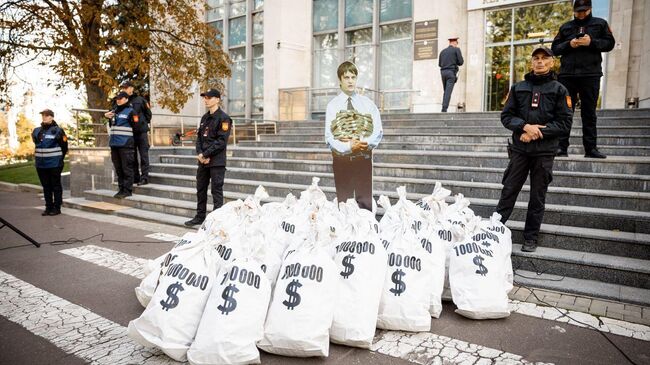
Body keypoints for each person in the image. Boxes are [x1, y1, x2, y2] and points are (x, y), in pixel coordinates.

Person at [495, 47, 573, 253]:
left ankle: (530, 238)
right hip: (520, 150)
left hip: (544, 152)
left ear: (552, 63)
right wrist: (524, 126)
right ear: (531, 63)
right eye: (536, 58)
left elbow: (564, 124)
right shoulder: (518, 87)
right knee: (509, 190)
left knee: (537, 197)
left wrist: (536, 132)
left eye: (544, 58)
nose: (539, 62)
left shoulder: (559, 90)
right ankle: (494, 232)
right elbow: (506, 116)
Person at [551, 0, 615, 158]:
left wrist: (591, 42)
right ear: (573, 10)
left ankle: (591, 149)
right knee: (565, 112)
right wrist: (569, 44)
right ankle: (561, 147)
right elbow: (555, 49)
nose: (580, 13)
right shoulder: (565, 27)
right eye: (578, 10)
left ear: (590, 9)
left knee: (589, 113)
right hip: (567, 76)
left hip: (590, 75)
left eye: (584, 10)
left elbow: (610, 43)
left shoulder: (600, 24)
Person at [325, 61, 383, 211]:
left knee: (365, 203)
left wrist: (362, 143)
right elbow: (330, 137)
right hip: (341, 160)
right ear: (340, 80)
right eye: (346, 77)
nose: (350, 81)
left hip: (363, 158)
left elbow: (377, 131)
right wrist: (349, 146)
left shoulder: (368, 105)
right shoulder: (332, 106)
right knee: (344, 203)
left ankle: (366, 231)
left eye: (353, 77)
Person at [185, 88, 232, 226]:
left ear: (217, 99)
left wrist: (205, 154)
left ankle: (216, 221)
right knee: (201, 189)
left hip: (216, 162)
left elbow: (221, 141)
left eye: (209, 97)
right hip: (203, 161)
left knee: (216, 191)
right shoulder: (204, 118)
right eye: (205, 97)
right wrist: (200, 154)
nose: (206, 100)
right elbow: (199, 138)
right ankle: (200, 217)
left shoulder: (224, 118)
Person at [32, 109, 68, 216]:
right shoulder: (36, 131)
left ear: (52, 117)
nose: (44, 117)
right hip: (41, 165)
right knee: (46, 186)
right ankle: (48, 207)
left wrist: (60, 159)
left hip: (54, 164)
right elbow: (36, 143)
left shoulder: (58, 131)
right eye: (43, 115)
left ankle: (57, 208)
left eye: (47, 115)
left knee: (55, 186)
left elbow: (64, 146)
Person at [105, 91, 137, 198]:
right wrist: (107, 118)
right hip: (114, 144)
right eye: (117, 98)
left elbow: (136, 128)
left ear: (126, 99)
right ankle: (121, 189)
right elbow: (112, 127)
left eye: (121, 98)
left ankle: (127, 190)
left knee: (126, 168)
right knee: (118, 169)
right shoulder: (114, 111)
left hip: (126, 145)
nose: (118, 100)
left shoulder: (131, 111)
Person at [120, 81, 152, 184]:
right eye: (124, 88)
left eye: (127, 88)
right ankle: (136, 177)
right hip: (130, 133)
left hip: (141, 132)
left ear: (131, 88)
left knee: (143, 156)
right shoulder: (123, 101)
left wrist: (142, 123)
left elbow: (148, 114)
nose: (125, 90)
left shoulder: (140, 100)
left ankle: (144, 178)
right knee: (132, 157)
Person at [438, 37, 464, 113]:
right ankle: (444, 109)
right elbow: (461, 62)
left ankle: (444, 107)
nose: (457, 44)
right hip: (451, 73)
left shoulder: (442, 51)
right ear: (455, 42)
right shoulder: (457, 50)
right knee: (448, 92)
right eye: (457, 43)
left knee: (446, 91)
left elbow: (439, 64)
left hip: (443, 73)